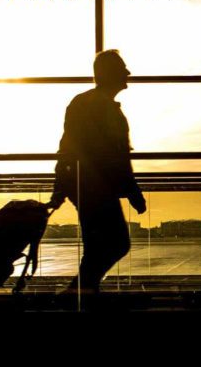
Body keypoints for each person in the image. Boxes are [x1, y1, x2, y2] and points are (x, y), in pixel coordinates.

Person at [48, 50, 146, 296]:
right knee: (116, 243)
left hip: (85, 185)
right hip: (96, 186)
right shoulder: (101, 107)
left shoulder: (85, 103)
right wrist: (133, 191)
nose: (128, 73)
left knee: (99, 245)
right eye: (122, 68)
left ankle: (82, 292)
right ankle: (80, 291)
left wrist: (60, 186)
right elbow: (116, 155)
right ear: (109, 73)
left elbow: (67, 147)